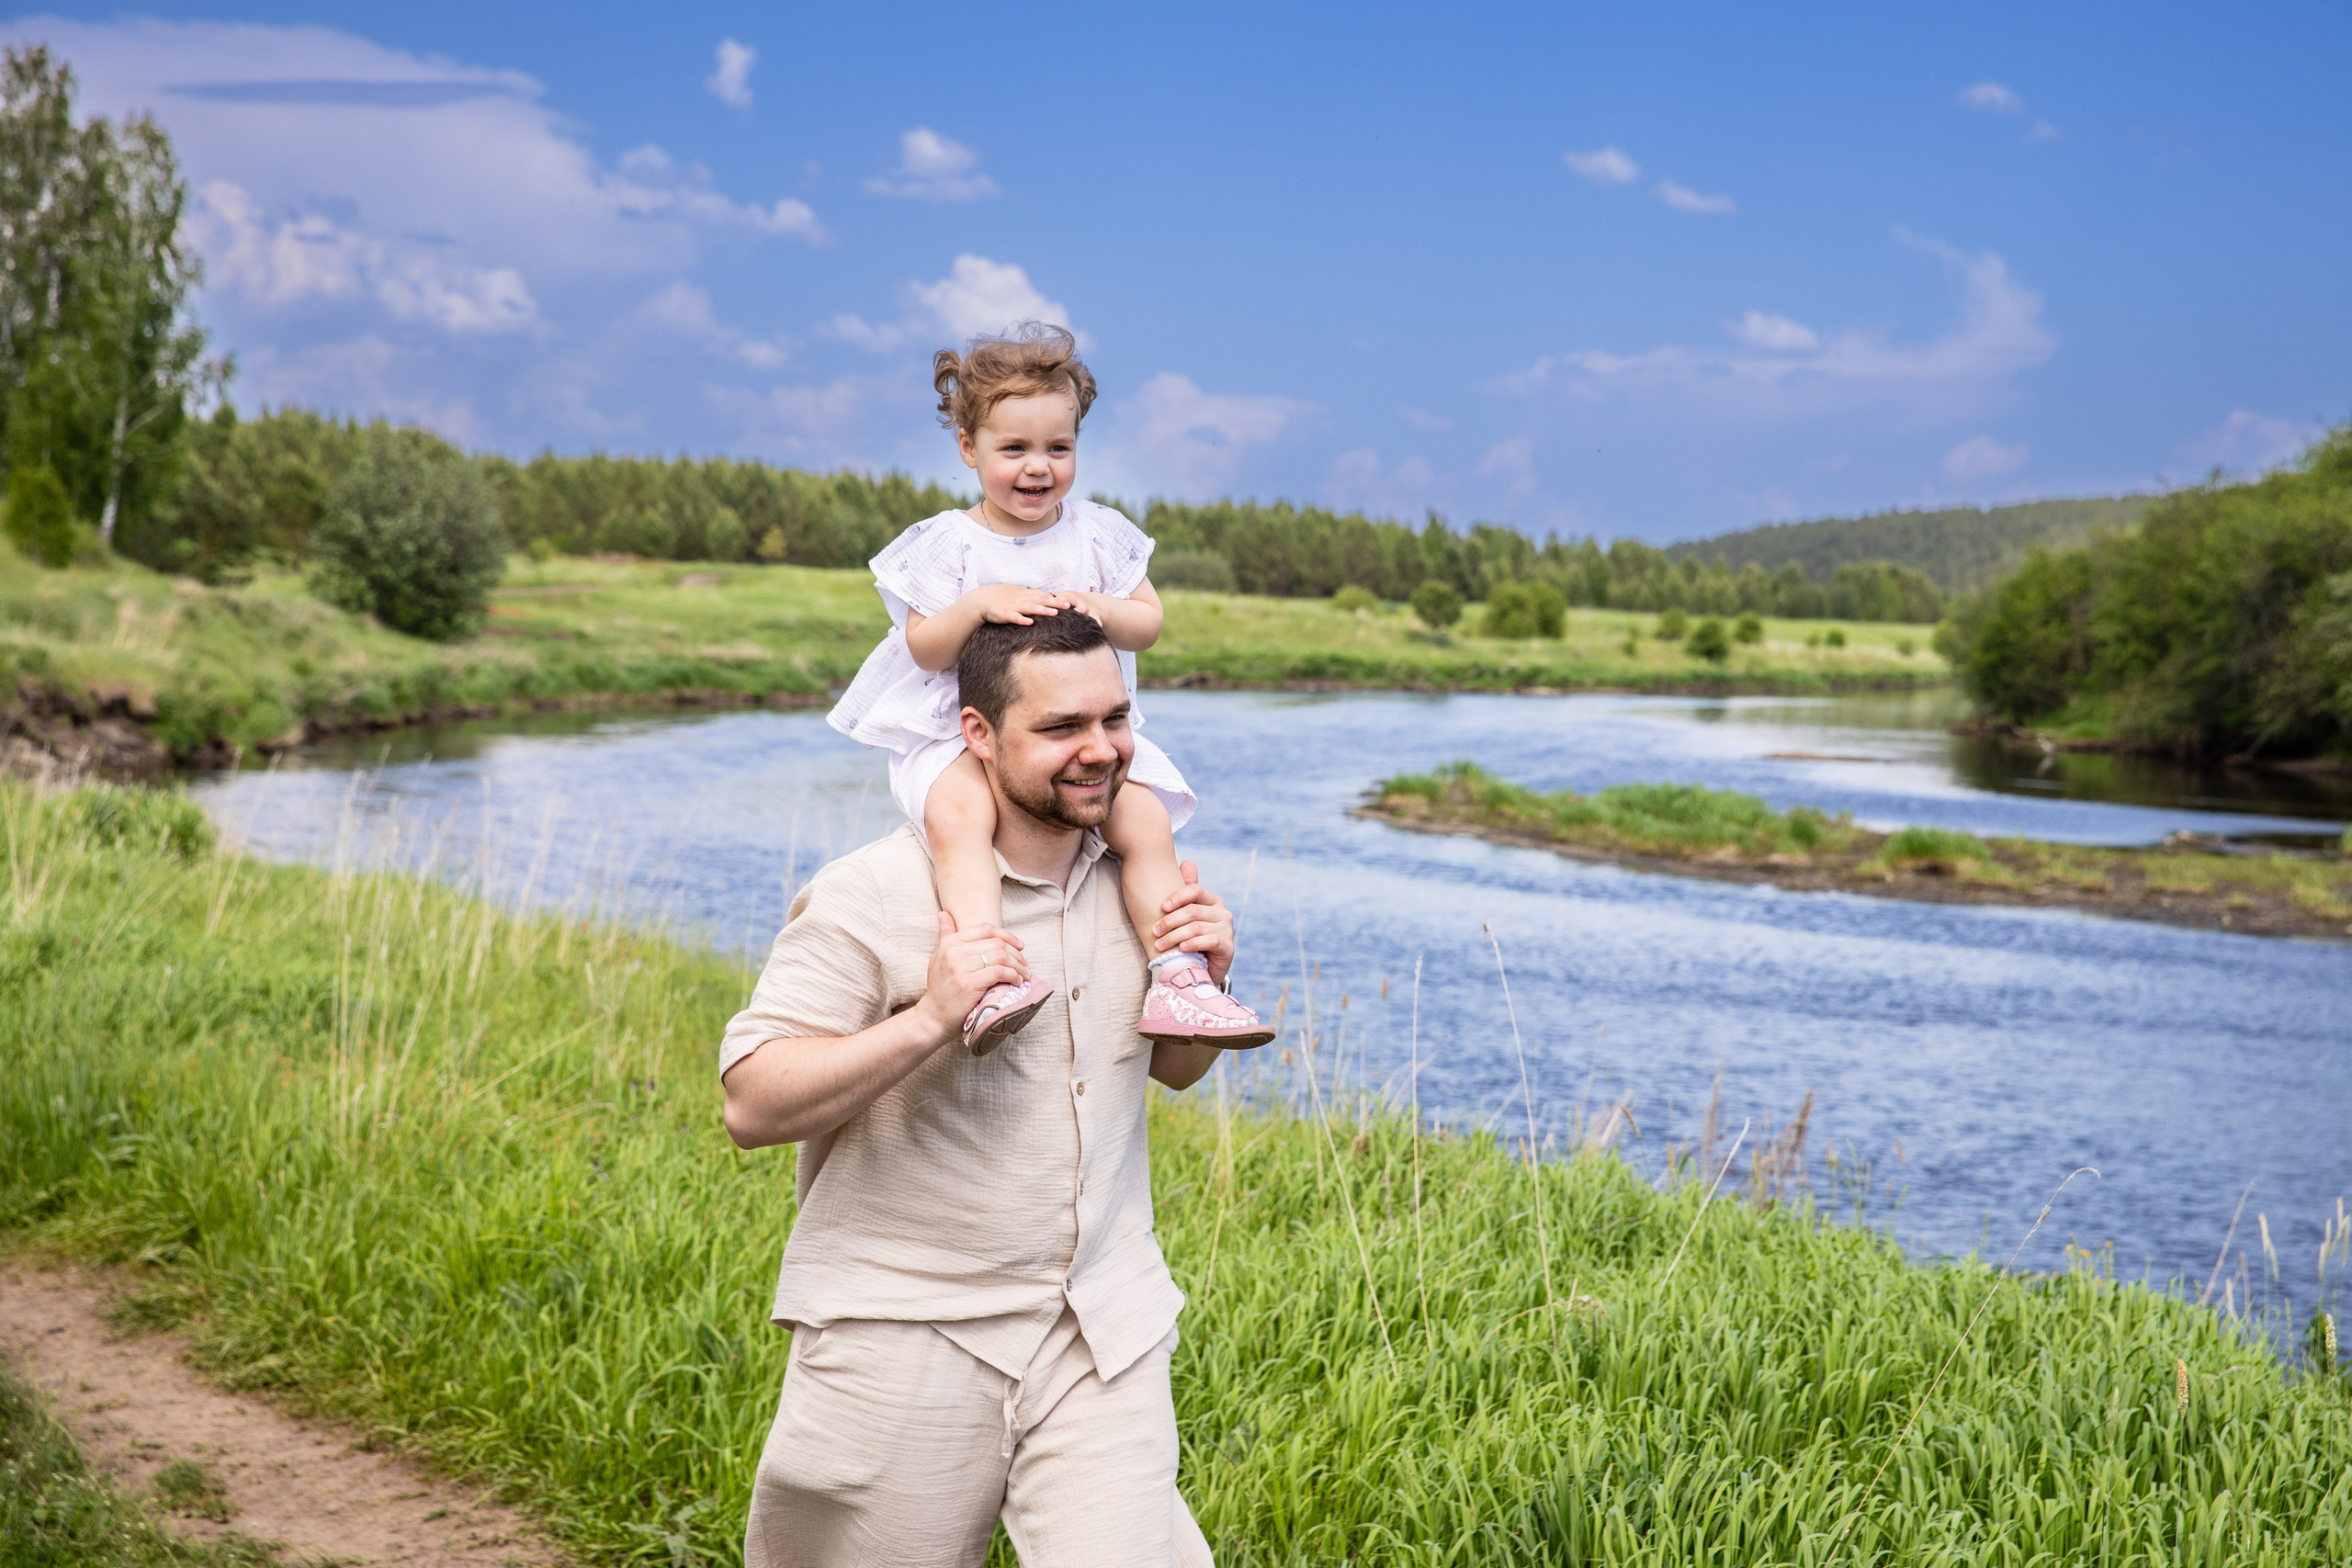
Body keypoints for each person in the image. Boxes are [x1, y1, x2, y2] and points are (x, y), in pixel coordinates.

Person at [721, 610, 1236, 1566]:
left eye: (1114, 719)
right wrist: (927, 1017)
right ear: (976, 737)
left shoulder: (1142, 886)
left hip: (1101, 1338)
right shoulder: (872, 891)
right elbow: (753, 1104)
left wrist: (1206, 973)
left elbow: (1170, 1068)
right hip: (902, 1341)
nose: (1101, 751)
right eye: (1060, 729)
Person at [826, 321, 1270, 1054]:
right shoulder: (951, 544)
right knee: (960, 819)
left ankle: (1179, 973)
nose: (1038, 468)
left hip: (1072, 730)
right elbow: (922, 644)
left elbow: (1149, 622)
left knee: (1144, 820)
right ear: (969, 449)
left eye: (1057, 448)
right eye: (1014, 449)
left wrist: (1101, 607)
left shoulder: (1095, 534)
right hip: (957, 736)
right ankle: (986, 967)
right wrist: (976, 604)